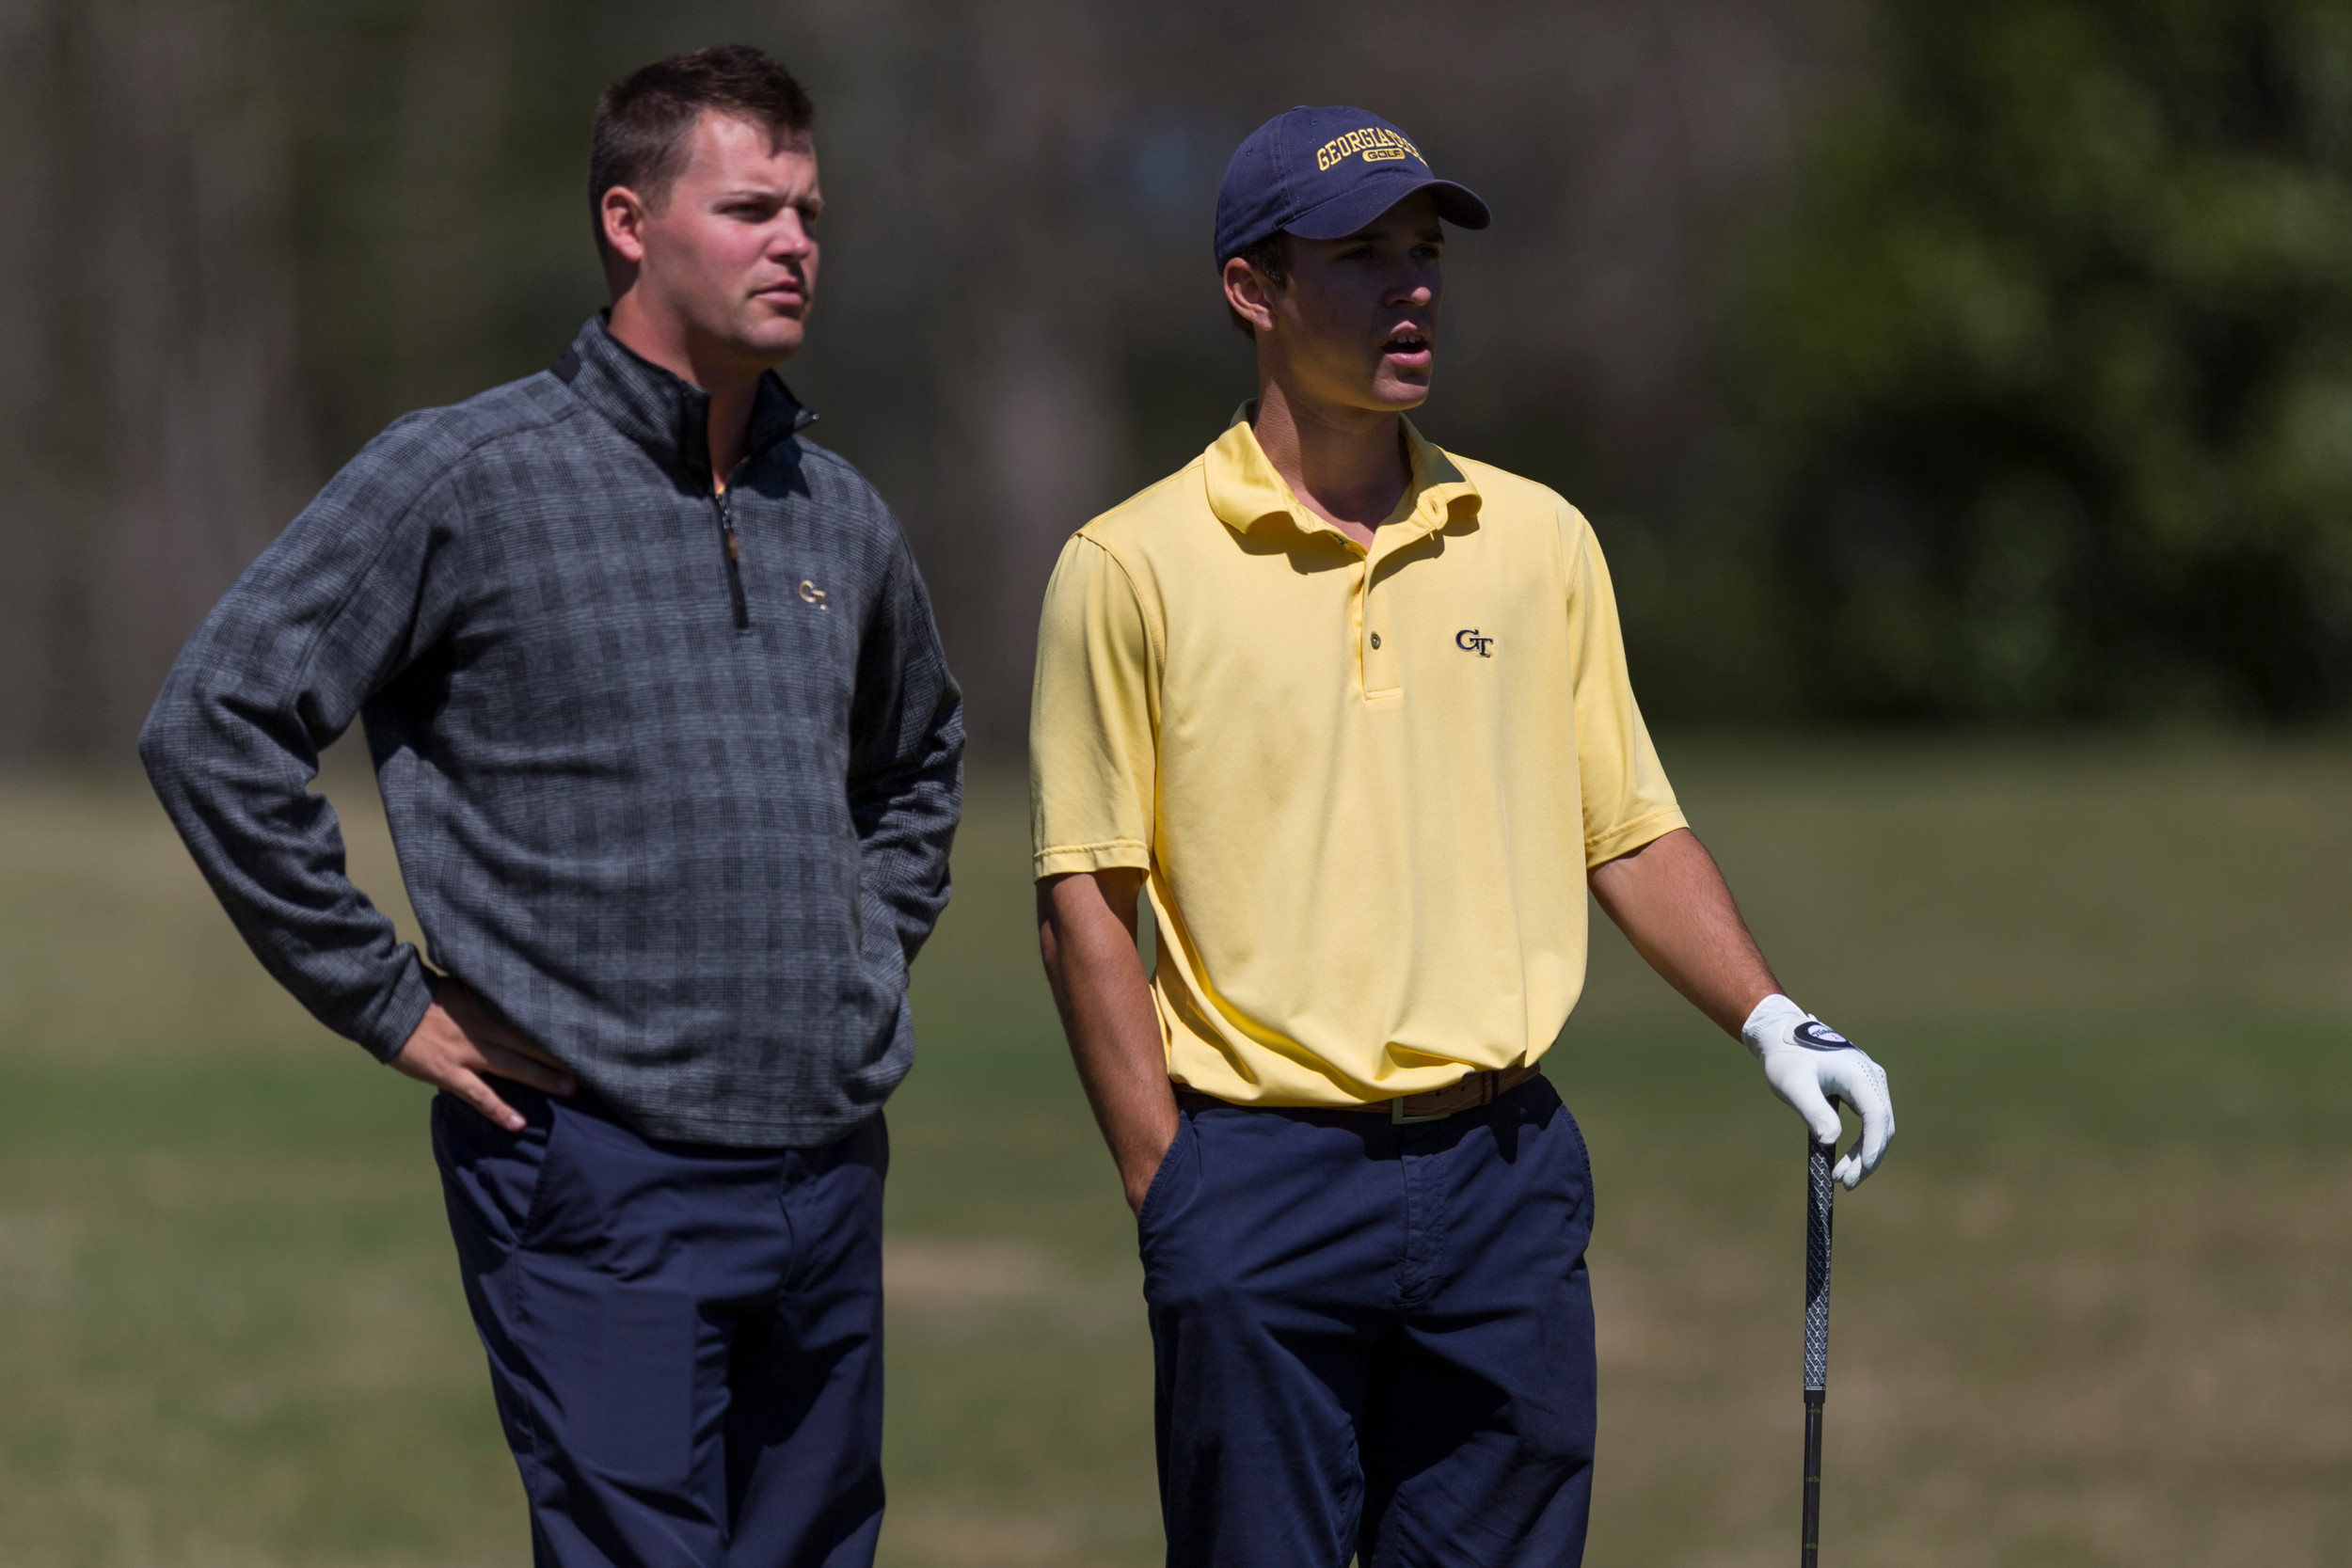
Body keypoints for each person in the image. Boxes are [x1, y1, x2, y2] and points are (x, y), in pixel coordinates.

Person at [1029, 105, 1895, 1568]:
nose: (1411, 287)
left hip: (1504, 1179)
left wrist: (1775, 1021)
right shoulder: (1129, 565)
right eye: (1363, 256)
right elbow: (1084, 906)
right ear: (1254, 288)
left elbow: (1625, 826)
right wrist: (1170, 1196)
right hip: (1258, 1182)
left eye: (1424, 253)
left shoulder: (1538, 538)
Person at [139, 46, 961, 1568]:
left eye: (810, 213)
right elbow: (215, 722)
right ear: (629, 221)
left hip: (828, 1162)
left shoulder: (836, 510)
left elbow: (920, 760)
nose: (796, 243)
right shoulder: (465, 474)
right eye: (751, 208)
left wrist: (865, 951)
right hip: (591, 1166)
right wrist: (384, 998)